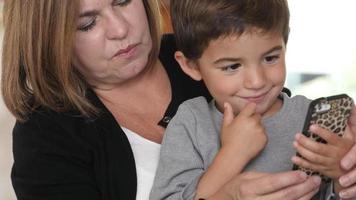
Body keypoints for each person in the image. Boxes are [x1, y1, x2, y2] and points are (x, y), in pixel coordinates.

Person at [1, 0, 356, 200]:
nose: (120, 29)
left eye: (123, 0)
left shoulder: (207, 50)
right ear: (50, 39)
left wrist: (345, 175)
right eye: (88, 23)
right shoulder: (46, 134)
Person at [150, 0, 356, 199]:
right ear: (191, 66)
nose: (257, 82)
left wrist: (342, 174)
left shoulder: (312, 119)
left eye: (270, 58)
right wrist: (233, 154)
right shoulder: (191, 123)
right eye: (232, 66)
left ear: (285, 42)